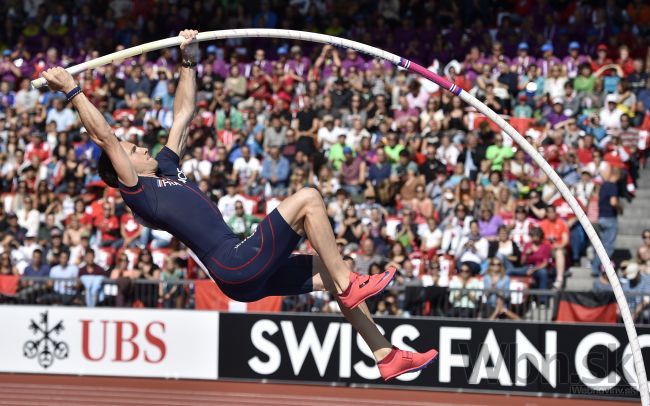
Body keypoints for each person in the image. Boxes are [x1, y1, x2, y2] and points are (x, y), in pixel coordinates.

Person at [40, 29, 436, 381]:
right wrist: (72, 90)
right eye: (132, 149)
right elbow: (106, 138)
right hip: (234, 263)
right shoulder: (140, 194)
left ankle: (385, 354)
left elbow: (183, 114)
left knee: (337, 271)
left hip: (241, 266)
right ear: (123, 166)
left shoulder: (165, 167)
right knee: (309, 199)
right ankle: (351, 288)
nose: (140, 145)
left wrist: (187, 61)